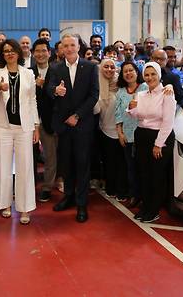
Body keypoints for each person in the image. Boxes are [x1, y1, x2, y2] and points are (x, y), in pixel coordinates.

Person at [47, 34, 99, 223]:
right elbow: (48, 88)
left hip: (82, 124)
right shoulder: (55, 68)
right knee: (67, 165)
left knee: (82, 165)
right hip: (63, 126)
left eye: (72, 45)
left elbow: (94, 95)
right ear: (61, 48)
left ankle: (82, 203)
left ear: (79, 47)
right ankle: (68, 197)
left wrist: (77, 116)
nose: (69, 48)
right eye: (65, 45)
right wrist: (55, 90)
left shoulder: (91, 67)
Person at [0, 39, 38, 224]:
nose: (9, 53)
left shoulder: (28, 74)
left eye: (12, 50)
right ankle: (5, 203)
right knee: (3, 166)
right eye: (6, 51)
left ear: (18, 53)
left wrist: (36, 126)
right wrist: (0, 87)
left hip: (24, 127)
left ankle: (25, 208)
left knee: (25, 167)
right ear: (2, 55)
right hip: (2, 126)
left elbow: (33, 100)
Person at [128, 61, 176, 223]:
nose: (149, 78)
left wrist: (158, 144)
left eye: (153, 74)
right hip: (142, 136)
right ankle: (146, 207)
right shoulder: (141, 94)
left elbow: (168, 122)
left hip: (159, 138)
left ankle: (154, 210)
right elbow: (136, 115)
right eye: (146, 75)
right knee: (144, 174)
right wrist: (131, 108)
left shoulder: (167, 93)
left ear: (159, 74)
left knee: (157, 176)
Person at [114, 61, 147, 208]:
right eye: (125, 71)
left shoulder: (146, 88)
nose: (128, 73)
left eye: (131, 70)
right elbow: (118, 114)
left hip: (144, 134)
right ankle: (134, 194)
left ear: (136, 72)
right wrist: (120, 133)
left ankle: (145, 195)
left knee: (144, 167)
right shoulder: (121, 91)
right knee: (131, 167)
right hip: (127, 135)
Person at [95, 58, 127, 201]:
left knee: (122, 163)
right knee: (109, 163)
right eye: (106, 67)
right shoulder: (96, 85)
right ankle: (111, 188)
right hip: (104, 130)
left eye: (112, 67)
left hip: (122, 131)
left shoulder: (122, 85)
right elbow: (95, 110)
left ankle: (122, 190)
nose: (109, 69)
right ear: (101, 68)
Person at [31, 38, 58, 203]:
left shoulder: (57, 71)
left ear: (49, 53)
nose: (40, 54)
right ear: (33, 54)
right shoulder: (27, 71)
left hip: (50, 120)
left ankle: (47, 187)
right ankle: (28, 186)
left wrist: (43, 86)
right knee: (30, 157)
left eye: (43, 51)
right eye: (37, 51)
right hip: (31, 121)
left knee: (50, 156)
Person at [151, 49, 183, 115]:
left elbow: (181, 97)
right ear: (151, 59)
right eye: (156, 58)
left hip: (163, 115)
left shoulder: (173, 77)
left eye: (162, 59)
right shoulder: (143, 75)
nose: (158, 61)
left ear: (166, 61)